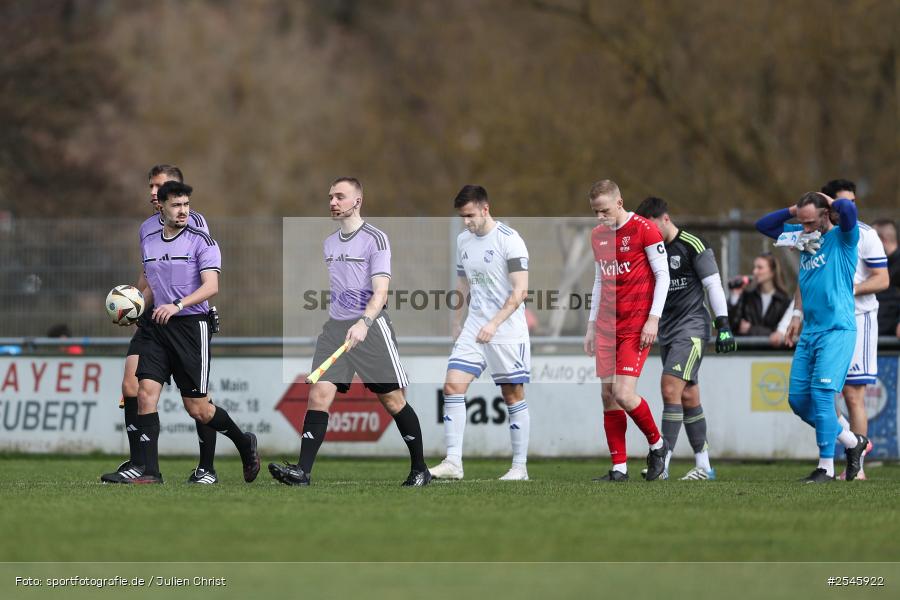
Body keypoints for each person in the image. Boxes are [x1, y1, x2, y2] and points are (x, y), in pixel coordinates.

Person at [268, 177, 430, 487]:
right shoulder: (329, 243)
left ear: (357, 201)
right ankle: (302, 472)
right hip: (335, 330)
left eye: (340, 196)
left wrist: (364, 323)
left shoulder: (376, 239)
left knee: (392, 401)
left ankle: (420, 469)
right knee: (318, 394)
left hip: (371, 328)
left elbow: (381, 291)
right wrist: (343, 322)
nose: (332, 202)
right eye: (330, 196)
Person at [128, 180, 259, 484]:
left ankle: (243, 442)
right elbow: (151, 287)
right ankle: (150, 472)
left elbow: (211, 286)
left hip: (190, 327)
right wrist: (135, 308)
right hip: (157, 328)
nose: (183, 210)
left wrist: (177, 304)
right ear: (160, 206)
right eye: (176, 205)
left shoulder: (202, 241)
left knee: (198, 408)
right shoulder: (149, 240)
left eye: (186, 204)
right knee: (145, 394)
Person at [101, 165, 219, 485]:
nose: (154, 191)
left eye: (161, 186)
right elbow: (151, 275)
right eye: (151, 186)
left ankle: (207, 466)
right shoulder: (146, 229)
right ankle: (141, 464)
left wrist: (185, 305)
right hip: (154, 318)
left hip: (184, 320)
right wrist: (134, 305)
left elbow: (192, 275)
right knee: (131, 386)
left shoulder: (193, 224)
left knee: (197, 403)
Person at [756, 191, 867, 483]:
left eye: (810, 221)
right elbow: (763, 225)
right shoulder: (802, 234)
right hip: (811, 330)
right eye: (800, 222)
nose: (804, 228)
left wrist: (830, 202)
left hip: (837, 329)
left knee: (821, 395)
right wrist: (793, 209)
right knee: (798, 400)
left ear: (825, 214)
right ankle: (853, 442)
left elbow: (848, 211)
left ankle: (826, 467)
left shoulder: (843, 237)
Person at [429, 185, 531, 481]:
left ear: (485, 209)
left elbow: (520, 290)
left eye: (470, 215)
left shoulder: (509, 241)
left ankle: (519, 467)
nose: (466, 222)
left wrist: (495, 323)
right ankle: (453, 462)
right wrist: (457, 320)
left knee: (512, 394)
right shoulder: (463, 240)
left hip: (507, 329)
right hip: (474, 327)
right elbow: (463, 283)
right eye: (462, 216)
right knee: (452, 386)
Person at [634, 197, 736, 481]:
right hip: (666, 329)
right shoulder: (651, 250)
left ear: (664, 219)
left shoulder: (692, 244)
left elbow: (713, 284)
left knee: (669, 388)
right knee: (688, 394)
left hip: (691, 328)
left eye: (650, 226)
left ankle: (662, 463)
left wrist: (723, 324)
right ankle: (703, 465)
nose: (647, 233)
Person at [796, 180, 887, 480]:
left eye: (846, 203)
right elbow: (804, 280)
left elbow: (882, 279)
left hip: (855, 320)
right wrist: (797, 313)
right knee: (809, 398)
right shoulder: (809, 237)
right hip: (817, 326)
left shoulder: (860, 235)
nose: (842, 209)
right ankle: (853, 444)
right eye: (836, 202)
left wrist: (848, 290)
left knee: (850, 395)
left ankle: (848, 468)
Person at [583, 180, 669, 482]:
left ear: (619, 203)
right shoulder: (598, 236)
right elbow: (599, 279)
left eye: (604, 211)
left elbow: (663, 275)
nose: (599, 217)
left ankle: (658, 445)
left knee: (622, 392)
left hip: (635, 325)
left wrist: (653, 319)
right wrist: (592, 325)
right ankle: (619, 468)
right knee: (607, 394)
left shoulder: (644, 229)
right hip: (606, 325)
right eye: (595, 212)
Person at [729, 254, 792, 337]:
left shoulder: (784, 301)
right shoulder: (747, 297)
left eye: (760, 268)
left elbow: (780, 333)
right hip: (748, 349)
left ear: (772, 272)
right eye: (755, 267)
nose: (755, 272)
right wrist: (735, 296)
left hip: (773, 350)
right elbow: (733, 325)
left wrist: (751, 329)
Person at [872, 219, 900, 337]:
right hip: (874, 336)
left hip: (892, 344)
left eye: (870, 241)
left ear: (881, 240)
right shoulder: (873, 265)